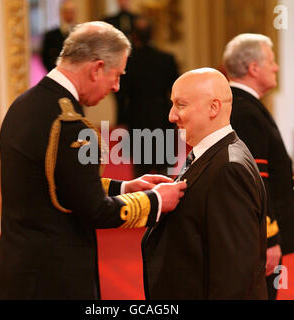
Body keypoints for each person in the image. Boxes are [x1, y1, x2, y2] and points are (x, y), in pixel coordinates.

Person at [0, 21, 186, 300]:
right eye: (116, 75)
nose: (117, 87)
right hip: (55, 280)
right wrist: (157, 200)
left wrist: (124, 188)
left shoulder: (24, 104)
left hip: (17, 271)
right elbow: (96, 210)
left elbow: (60, 184)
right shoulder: (72, 126)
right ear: (96, 69)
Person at [142, 68, 268, 299]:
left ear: (214, 108)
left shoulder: (229, 169)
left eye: (180, 105)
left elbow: (234, 275)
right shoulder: (212, 154)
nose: (171, 115)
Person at [223, 33, 294, 299]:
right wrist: (270, 239)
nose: (276, 67)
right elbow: (256, 182)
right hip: (257, 238)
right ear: (253, 68)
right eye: (272, 61)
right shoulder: (246, 112)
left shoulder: (241, 105)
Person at [120, 16, 179, 177]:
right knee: (165, 172)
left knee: (140, 172)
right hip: (163, 117)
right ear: (152, 34)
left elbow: (122, 93)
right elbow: (177, 91)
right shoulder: (167, 59)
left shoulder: (129, 62)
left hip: (137, 118)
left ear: (133, 35)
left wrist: (122, 119)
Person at [102, 0, 139, 126]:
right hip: (117, 64)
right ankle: (121, 121)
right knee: (119, 94)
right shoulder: (109, 21)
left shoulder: (137, 19)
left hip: (135, 65)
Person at [41, 0, 78, 72]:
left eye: (71, 12)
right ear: (62, 13)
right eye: (67, 12)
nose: (69, 14)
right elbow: (45, 58)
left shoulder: (82, 32)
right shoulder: (50, 36)